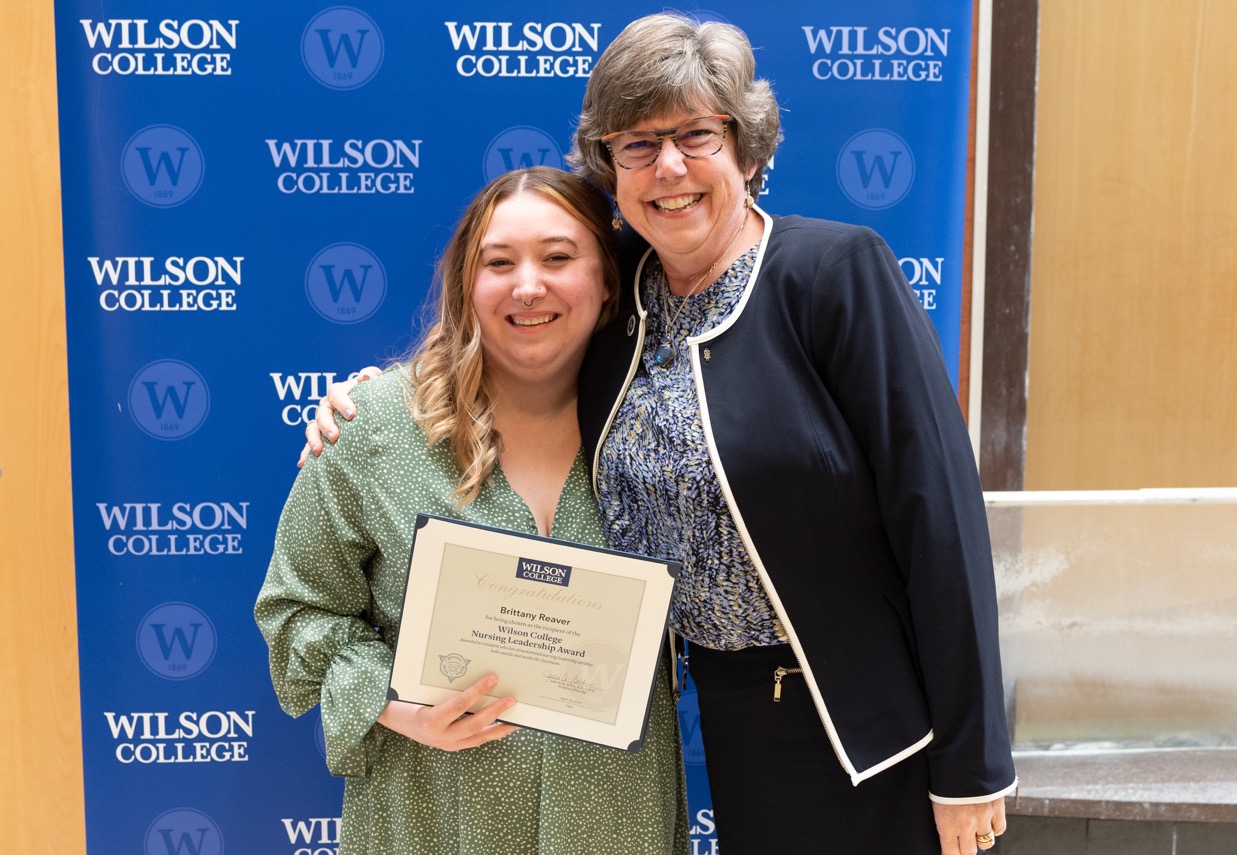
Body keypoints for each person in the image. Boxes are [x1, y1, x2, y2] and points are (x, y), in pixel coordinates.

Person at [304, 14, 1016, 855]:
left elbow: (939, 515)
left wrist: (972, 765)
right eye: (638, 144)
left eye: (695, 135)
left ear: (746, 149)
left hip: (873, 730)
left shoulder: (833, 273)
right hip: (733, 717)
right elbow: (506, 325)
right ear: (611, 168)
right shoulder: (619, 299)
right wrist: (367, 403)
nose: (669, 166)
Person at [257, 166, 688, 855]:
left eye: (557, 257)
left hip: (613, 817)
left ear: (608, 278)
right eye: (498, 262)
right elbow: (295, 611)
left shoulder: (666, 431)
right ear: (466, 284)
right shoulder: (373, 430)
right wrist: (394, 706)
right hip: (433, 814)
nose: (527, 285)